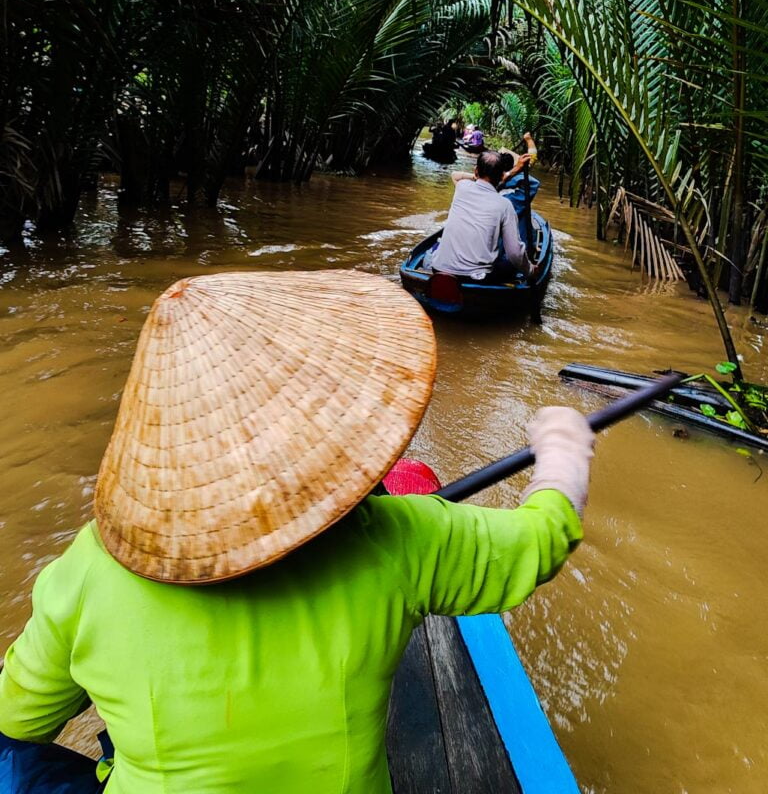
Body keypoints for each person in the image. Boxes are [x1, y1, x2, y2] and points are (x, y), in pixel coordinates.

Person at [0, 270, 594, 794]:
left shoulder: (87, 569)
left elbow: (19, 720)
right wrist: (563, 448)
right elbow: (542, 538)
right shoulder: (397, 537)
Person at [431, 150, 534, 282]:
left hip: (438, 269)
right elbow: (515, 254)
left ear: (476, 171)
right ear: (502, 175)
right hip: (475, 278)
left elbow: (455, 175)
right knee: (510, 265)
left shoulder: (462, 187)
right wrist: (530, 270)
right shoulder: (505, 205)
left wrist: (480, 176)